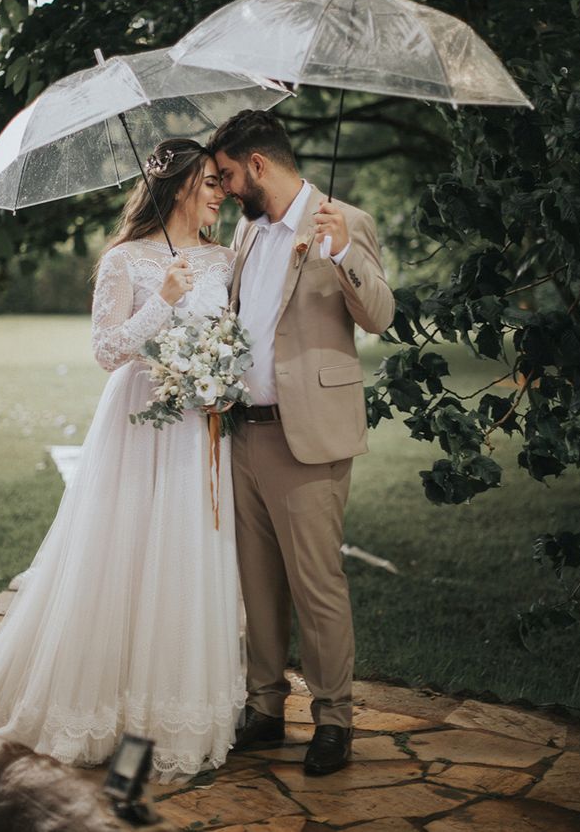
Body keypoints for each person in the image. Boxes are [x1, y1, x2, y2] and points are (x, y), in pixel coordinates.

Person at [0, 139, 245, 782]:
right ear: (176, 188)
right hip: (138, 420)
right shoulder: (125, 260)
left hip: (198, 424)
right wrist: (162, 301)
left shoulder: (226, 258)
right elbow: (108, 350)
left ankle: (170, 709)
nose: (220, 192)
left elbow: (234, 335)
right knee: (122, 554)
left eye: (220, 183)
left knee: (181, 554)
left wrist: (219, 373)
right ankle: (98, 706)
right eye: (208, 182)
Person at [209, 109, 395, 776]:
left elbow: (379, 315)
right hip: (244, 432)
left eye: (228, 174)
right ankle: (264, 707)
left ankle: (334, 720)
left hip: (308, 438)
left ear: (258, 165)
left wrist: (342, 251)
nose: (224, 187)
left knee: (317, 586)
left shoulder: (344, 221)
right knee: (257, 586)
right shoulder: (249, 231)